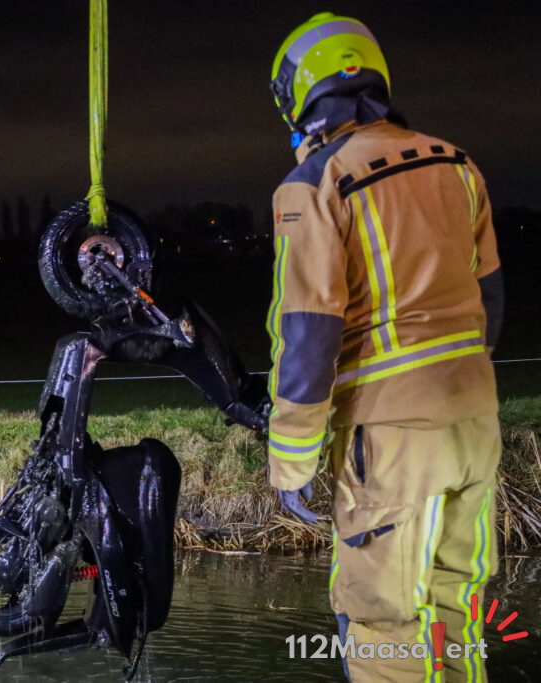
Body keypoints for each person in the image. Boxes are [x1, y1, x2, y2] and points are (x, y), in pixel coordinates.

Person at [264, 12, 503, 682]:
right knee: (456, 614)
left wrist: (290, 464)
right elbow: (493, 304)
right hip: (474, 425)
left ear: (302, 94)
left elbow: (309, 338)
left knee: (385, 631)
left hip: (391, 445)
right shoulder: (457, 164)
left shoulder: (314, 184)